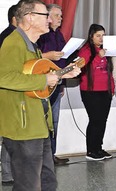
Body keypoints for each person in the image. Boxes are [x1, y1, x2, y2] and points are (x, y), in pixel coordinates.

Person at [0, 0, 80, 189]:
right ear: (29, 18)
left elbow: (36, 76)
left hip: (38, 124)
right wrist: (44, 81)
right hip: (23, 127)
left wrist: (61, 75)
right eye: (45, 15)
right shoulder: (13, 42)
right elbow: (4, 77)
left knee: (47, 181)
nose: (50, 20)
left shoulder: (33, 45)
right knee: (28, 184)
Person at [35, 3, 69, 165]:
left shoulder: (59, 35)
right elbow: (32, 57)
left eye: (61, 16)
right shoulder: (41, 35)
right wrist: (48, 55)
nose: (60, 19)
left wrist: (61, 85)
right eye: (57, 16)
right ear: (47, 17)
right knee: (42, 122)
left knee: (54, 122)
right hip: (41, 84)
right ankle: (40, 158)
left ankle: (51, 156)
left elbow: (61, 61)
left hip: (57, 83)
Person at [78, 24, 115, 161]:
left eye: (103, 35)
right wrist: (98, 56)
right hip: (90, 91)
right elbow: (82, 67)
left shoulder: (105, 50)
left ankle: (98, 148)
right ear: (91, 36)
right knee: (95, 120)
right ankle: (91, 151)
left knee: (102, 120)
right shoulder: (86, 50)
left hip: (105, 91)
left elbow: (108, 71)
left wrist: (112, 87)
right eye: (98, 35)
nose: (101, 38)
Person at [0, 4, 18, 184]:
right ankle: (6, 173)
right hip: (6, 93)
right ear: (16, 18)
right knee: (8, 135)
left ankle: (8, 172)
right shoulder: (9, 38)